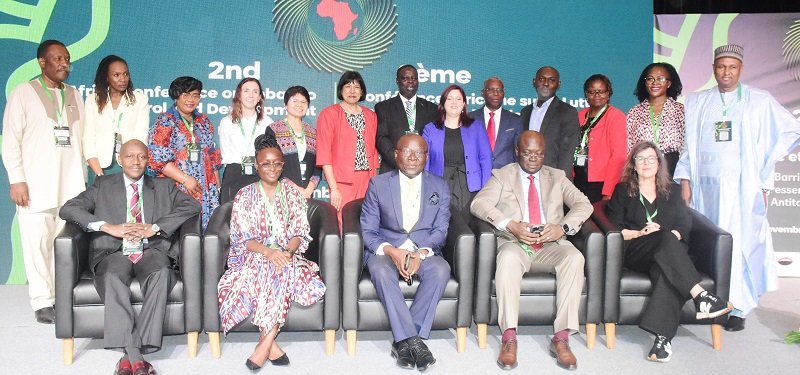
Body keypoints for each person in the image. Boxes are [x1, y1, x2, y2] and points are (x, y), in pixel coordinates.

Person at [675, 44, 800, 332]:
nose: (726, 72)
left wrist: (764, 176)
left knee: (739, 245)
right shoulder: (697, 101)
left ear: (740, 69)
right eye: (721, 66)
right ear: (713, 69)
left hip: (742, 189)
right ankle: (709, 300)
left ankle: (738, 307)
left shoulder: (759, 100)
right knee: (706, 243)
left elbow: (789, 131)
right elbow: (688, 147)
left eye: (732, 67)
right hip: (704, 188)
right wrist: (684, 179)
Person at [59, 140, 200, 375]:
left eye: (141, 157)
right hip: (113, 250)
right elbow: (69, 208)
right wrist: (107, 226)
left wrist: (154, 228)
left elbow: (192, 205)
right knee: (112, 276)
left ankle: (128, 358)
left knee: (162, 273)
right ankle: (138, 359)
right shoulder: (103, 184)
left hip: (151, 249)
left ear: (147, 159)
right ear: (120, 159)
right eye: (130, 156)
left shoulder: (164, 187)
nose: (136, 162)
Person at [470, 130, 592, 371]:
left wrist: (562, 228)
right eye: (527, 153)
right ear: (517, 152)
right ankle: (509, 337)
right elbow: (479, 203)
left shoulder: (557, 176)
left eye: (539, 154)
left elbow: (583, 204)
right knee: (506, 257)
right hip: (516, 244)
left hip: (550, 245)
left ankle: (562, 337)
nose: (534, 158)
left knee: (575, 258)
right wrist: (511, 224)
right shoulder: (502, 175)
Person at [606, 141, 733, 362]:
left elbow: (683, 227)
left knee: (665, 269)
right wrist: (641, 233)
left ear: (659, 163)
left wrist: (665, 237)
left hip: (669, 252)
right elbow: (614, 229)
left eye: (651, 158)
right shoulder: (622, 191)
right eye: (640, 159)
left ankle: (662, 340)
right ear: (633, 165)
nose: (646, 163)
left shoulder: (672, 191)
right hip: (637, 250)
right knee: (663, 239)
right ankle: (700, 295)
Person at [217, 135, 325, 371]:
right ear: (257, 165)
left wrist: (286, 252)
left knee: (281, 265)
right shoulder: (245, 194)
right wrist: (268, 252)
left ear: (283, 164)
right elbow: (242, 238)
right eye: (266, 163)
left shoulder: (293, 194)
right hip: (255, 255)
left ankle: (265, 342)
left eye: (277, 163)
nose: (272, 168)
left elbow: (299, 232)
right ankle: (270, 343)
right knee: (266, 265)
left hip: (288, 255)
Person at [1, 40, 86, 324]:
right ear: (42, 62)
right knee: (36, 244)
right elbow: (10, 140)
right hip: (35, 186)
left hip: (69, 186)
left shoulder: (74, 94)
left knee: (60, 245)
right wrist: (17, 179)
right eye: (57, 59)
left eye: (67, 59)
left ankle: (58, 296)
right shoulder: (23, 93)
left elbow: (83, 140)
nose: (64, 64)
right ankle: (41, 300)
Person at [360, 134, 451, 372]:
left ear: (426, 156)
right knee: (379, 270)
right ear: (396, 154)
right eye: (407, 151)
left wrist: (420, 254)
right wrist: (391, 251)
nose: (412, 157)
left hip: (423, 249)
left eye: (419, 152)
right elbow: (368, 231)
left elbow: (441, 229)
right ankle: (414, 341)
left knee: (442, 270)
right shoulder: (378, 184)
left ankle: (403, 341)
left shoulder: (439, 186)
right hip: (387, 250)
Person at [147, 76, 222, 231]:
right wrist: (185, 179)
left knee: (208, 235)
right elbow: (157, 159)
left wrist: (217, 186)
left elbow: (212, 156)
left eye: (195, 95)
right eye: (185, 95)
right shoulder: (165, 121)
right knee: (184, 235)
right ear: (176, 96)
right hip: (178, 188)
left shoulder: (203, 121)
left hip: (206, 190)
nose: (191, 100)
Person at [422, 84, 492, 225]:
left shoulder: (476, 127)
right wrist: (427, 187)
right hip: (440, 185)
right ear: (443, 103)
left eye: (458, 99)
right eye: (450, 99)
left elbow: (486, 159)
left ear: (464, 104)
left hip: (470, 186)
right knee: (442, 226)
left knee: (468, 227)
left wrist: (485, 191)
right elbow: (425, 161)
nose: (454, 103)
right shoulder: (430, 129)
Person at [316, 71, 379, 224]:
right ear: (341, 89)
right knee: (343, 222)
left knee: (367, 221)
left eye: (357, 87)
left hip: (368, 179)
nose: (352, 91)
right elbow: (324, 154)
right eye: (348, 86)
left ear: (362, 91)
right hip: (342, 182)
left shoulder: (371, 116)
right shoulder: (329, 114)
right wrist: (334, 188)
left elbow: (374, 151)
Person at [84, 55, 150, 184]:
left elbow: (141, 137)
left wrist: (134, 165)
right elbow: (88, 138)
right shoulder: (93, 100)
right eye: (117, 75)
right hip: (99, 165)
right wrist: (98, 173)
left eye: (126, 74)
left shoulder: (139, 99)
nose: (123, 79)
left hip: (131, 165)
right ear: (106, 77)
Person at [574, 74, 627, 202]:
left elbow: (619, 156)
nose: (596, 95)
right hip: (578, 178)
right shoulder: (579, 115)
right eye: (592, 92)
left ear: (608, 93)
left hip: (601, 181)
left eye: (601, 91)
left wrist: (608, 190)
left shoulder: (616, 116)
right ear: (586, 95)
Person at [375, 64, 438, 172]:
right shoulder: (383, 107)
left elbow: (434, 141)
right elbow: (382, 139)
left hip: (423, 171)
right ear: (397, 81)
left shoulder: (432, 109)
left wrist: (419, 163)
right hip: (392, 169)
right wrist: (400, 161)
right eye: (405, 78)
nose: (410, 82)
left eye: (414, 78)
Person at [218, 78, 273, 203]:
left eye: (255, 91)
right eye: (246, 91)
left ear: (260, 97)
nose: (251, 95)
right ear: (239, 95)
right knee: (231, 217)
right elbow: (224, 151)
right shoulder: (227, 122)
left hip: (259, 174)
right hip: (234, 174)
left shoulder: (267, 122)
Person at [519, 66, 580, 178]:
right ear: (534, 82)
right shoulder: (525, 112)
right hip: (525, 177)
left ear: (559, 84)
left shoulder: (567, 112)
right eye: (541, 79)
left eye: (551, 80)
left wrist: (561, 181)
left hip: (553, 177)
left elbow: (569, 152)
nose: (546, 83)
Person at [626, 63, 685, 176]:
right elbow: (628, 147)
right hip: (643, 167)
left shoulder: (680, 111)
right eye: (650, 79)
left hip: (672, 168)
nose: (655, 82)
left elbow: (685, 146)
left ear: (669, 83)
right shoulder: (634, 112)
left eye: (660, 78)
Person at [265, 85, 321, 198]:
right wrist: (295, 188)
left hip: (307, 194)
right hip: (281, 192)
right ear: (285, 104)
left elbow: (318, 165)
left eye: (303, 102)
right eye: (294, 100)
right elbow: (271, 164)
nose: (299, 105)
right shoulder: (273, 129)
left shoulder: (312, 132)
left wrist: (309, 189)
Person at [469, 76, 522, 169]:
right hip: (477, 175)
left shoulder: (515, 120)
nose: (496, 93)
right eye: (491, 90)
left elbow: (519, 154)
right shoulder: (470, 119)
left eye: (500, 90)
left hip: (505, 177)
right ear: (483, 93)